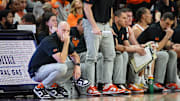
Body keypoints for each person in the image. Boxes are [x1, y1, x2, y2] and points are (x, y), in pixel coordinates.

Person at [28, 21, 90, 99]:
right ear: (57, 30)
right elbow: (61, 60)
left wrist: (77, 66)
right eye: (63, 30)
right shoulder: (50, 40)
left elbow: (75, 55)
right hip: (37, 72)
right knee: (62, 67)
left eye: (68, 31)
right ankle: (40, 87)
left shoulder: (63, 40)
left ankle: (54, 86)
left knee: (73, 64)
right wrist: (67, 42)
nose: (66, 33)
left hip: (49, 69)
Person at [83, 0, 125, 95]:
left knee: (110, 55)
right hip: (92, 23)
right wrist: (93, 26)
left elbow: (110, 8)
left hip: (105, 24)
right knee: (92, 56)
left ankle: (107, 85)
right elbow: (86, 7)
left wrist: (110, 26)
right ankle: (90, 86)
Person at [138, 12, 180, 92]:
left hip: (154, 51)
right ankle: (157, 82)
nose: (168, 27)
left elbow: (166, 44)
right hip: (144, 51)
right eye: (167, 23)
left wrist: (173, 45)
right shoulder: (154, 28)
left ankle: (171, 82)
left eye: (170, 25)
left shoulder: (165, 29)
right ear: (161, 20)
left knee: (172, 53)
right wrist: (167, 36)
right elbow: (156, 48)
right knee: (163, 55)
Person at [112, 9, 147, 94]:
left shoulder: (123, 28)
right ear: (116, 19)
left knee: (136, 53)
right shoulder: (112, 28)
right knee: (123, 55)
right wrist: (135, 48)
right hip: (112, 52)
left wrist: (139, 47)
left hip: (121, 51)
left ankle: (133, 82)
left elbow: (127, 45)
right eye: (124, 18)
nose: (127, 20)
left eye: (127, 17)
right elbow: (116, 47)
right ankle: (119, 83)